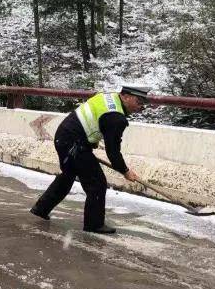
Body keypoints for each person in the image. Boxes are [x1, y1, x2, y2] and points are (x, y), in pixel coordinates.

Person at [29, 87, 150, 233]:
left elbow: (92, 120)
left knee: (68, 175)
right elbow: (112, 151)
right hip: (74, 145)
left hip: (64, 136)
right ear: (125, 96)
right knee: (97, 183)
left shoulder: (109, 97)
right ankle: (94, 225)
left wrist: (89, 141)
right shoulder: (116, 117)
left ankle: (41, 208)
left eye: (143, 103)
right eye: (138, 101)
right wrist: (125, 171)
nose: (140, 106)